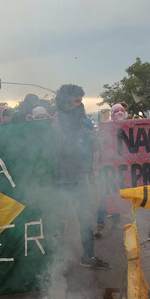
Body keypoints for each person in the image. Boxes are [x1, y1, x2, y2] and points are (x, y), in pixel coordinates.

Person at [51, 84, 108, 270]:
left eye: (81, 101)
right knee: (58, 223)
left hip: (77, 179)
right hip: (59, 180)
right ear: (66, 102)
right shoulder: (55, 122)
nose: (80, 105)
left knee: (85, 219)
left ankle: (88, 256)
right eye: (77, 101)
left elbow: (84, 149)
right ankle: (57, 261)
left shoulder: (81, 123)